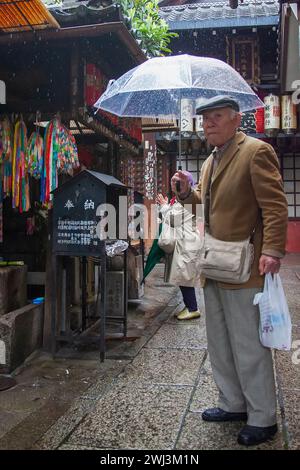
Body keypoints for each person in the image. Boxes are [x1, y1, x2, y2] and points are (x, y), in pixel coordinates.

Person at [171, 95, 288, 446]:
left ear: (236, 120)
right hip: (215, 262)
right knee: (219, 341)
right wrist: (186, 194)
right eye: (205, 119)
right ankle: (234, 403)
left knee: (247, 342)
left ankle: (263, 417)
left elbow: (275, 205)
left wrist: (272, 250)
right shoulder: (210, 160)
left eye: (216, 117)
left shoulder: (255, 151)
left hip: (245, 264)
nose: (208, 124)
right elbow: (207, 209)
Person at [156, 177, 201, 321]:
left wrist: (163, 205)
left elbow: (174, 220)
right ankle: (189, 305)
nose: (173, 184)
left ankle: (193, 308)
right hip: (185, 242)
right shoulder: (182, 199)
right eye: (173, 181)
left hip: (187, 243)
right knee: (183, 276)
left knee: (185, 276)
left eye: (178, 181)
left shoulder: (189, 199)